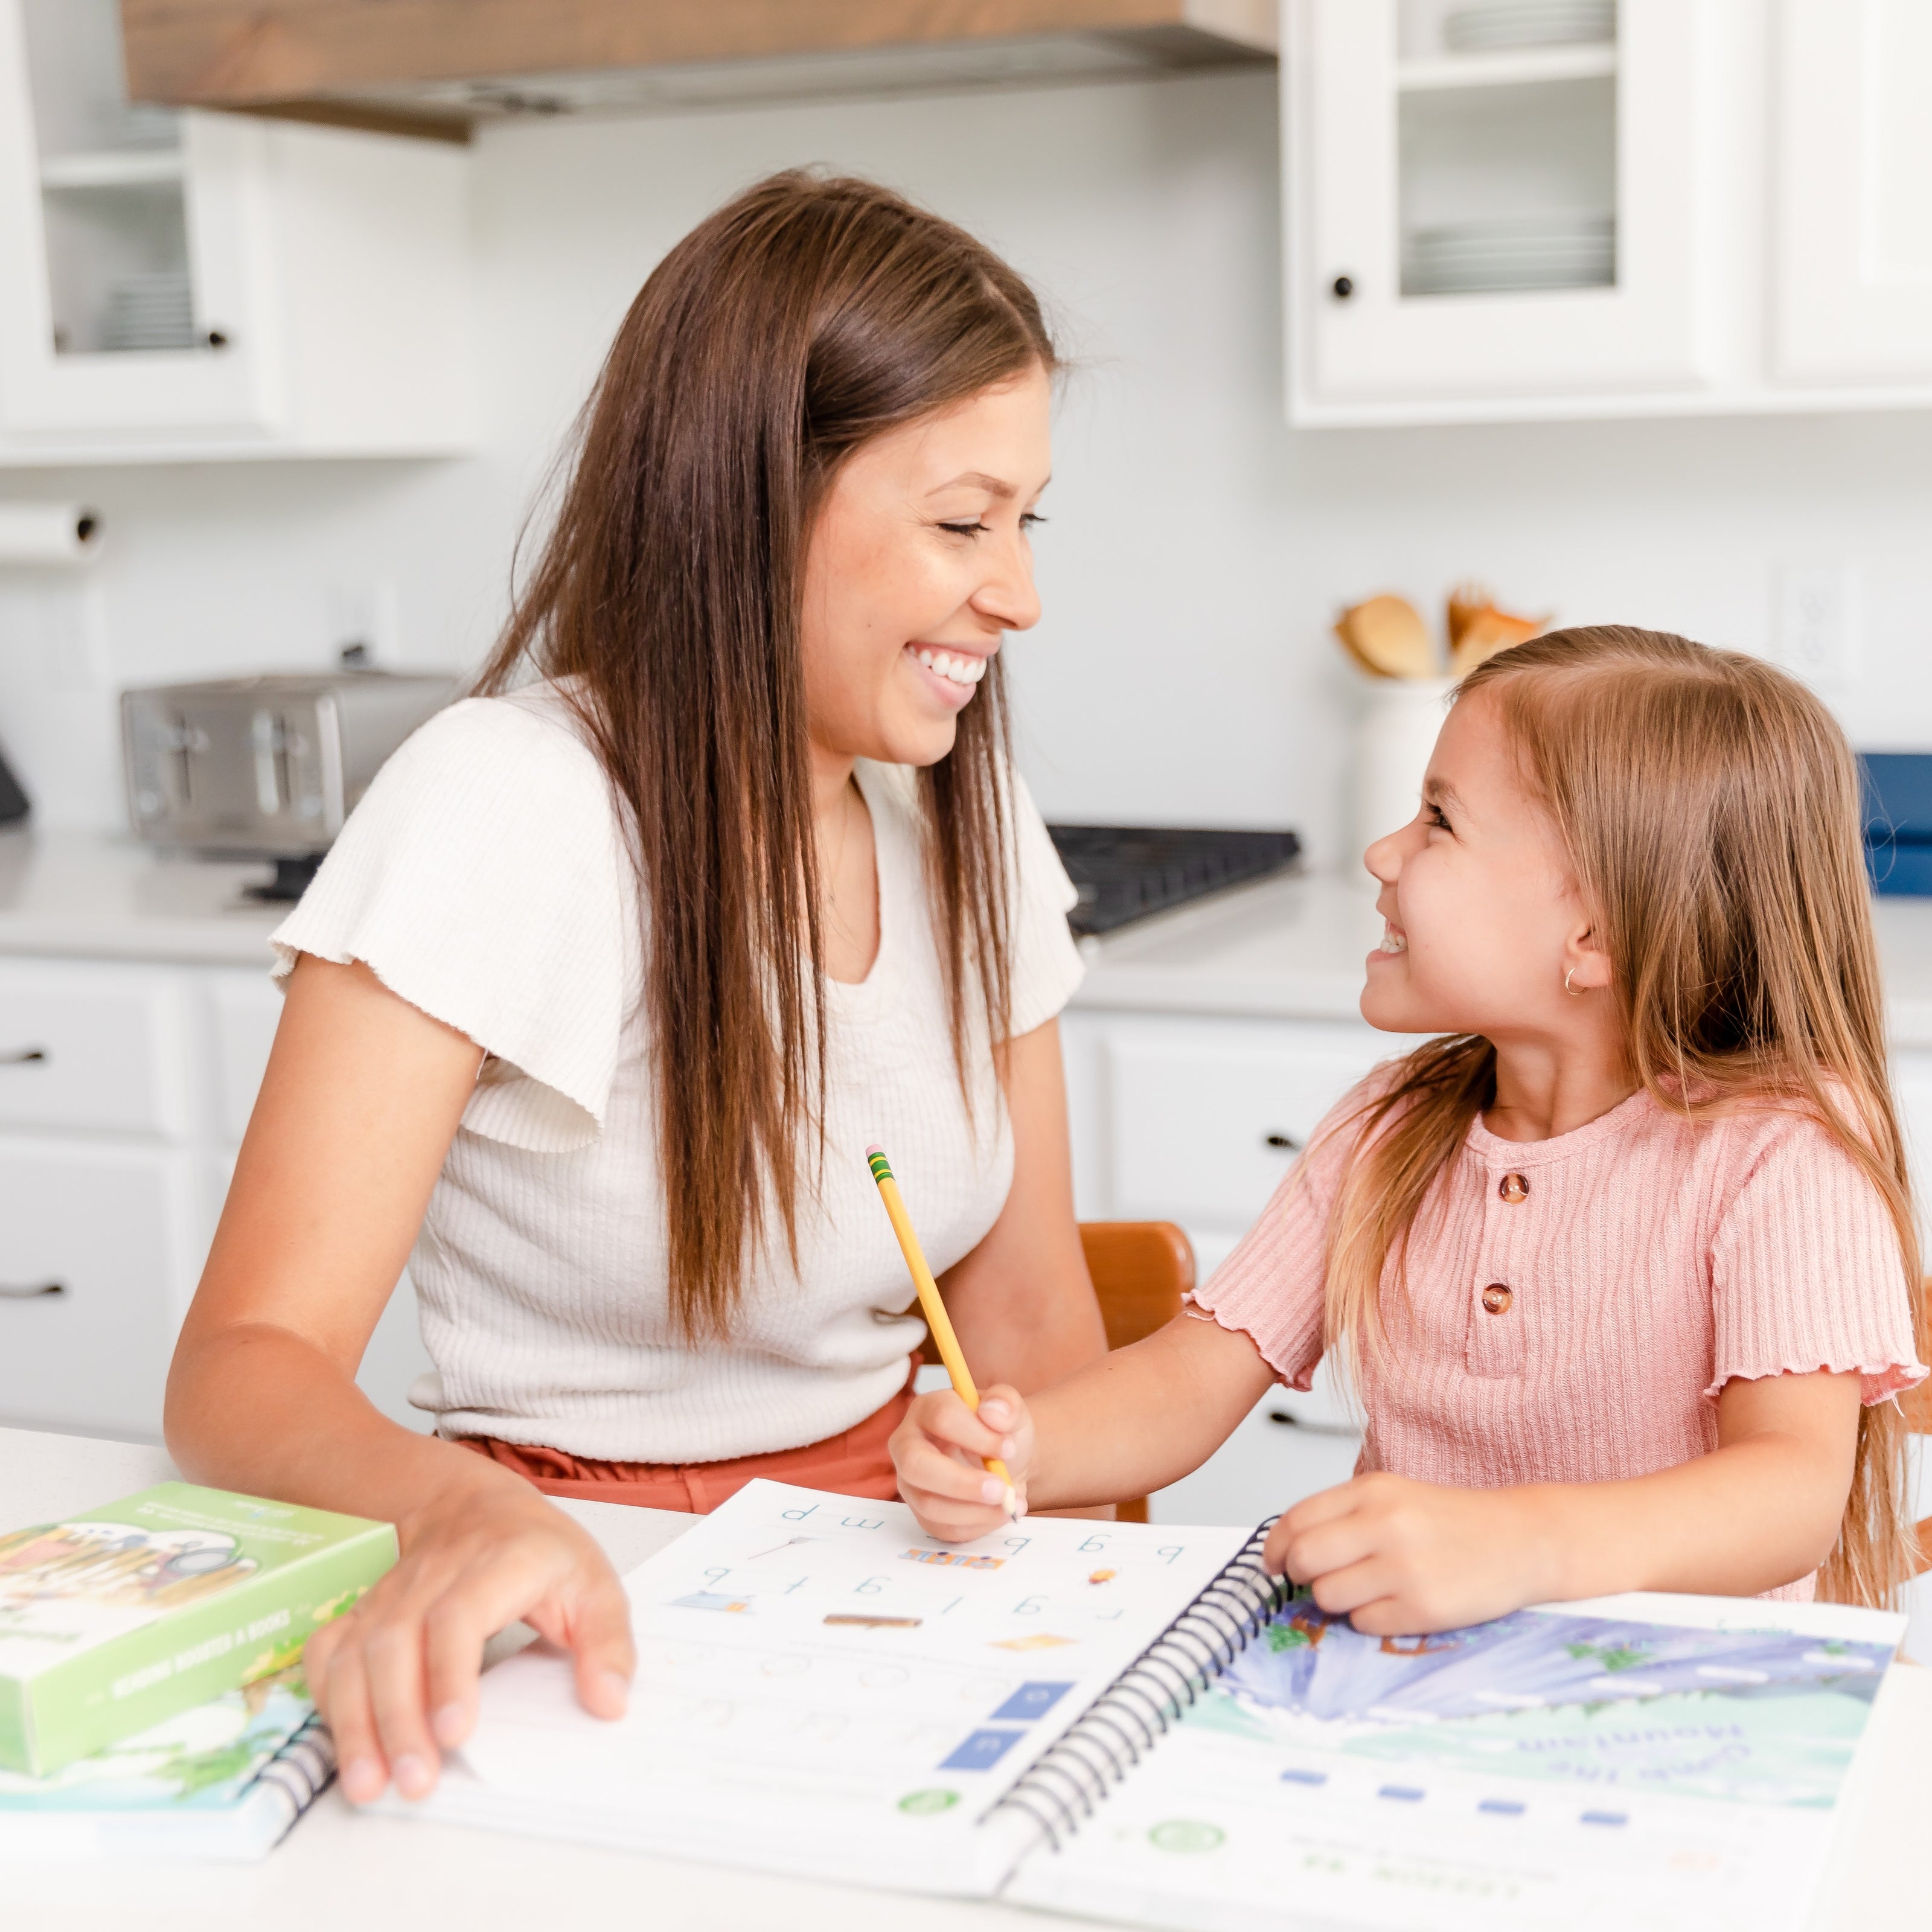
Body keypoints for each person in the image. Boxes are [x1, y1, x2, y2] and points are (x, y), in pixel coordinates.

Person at [163, 171, 1112, 1802]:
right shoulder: (508, 803)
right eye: (965, 523)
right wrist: (462, 1514)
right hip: (562, 1564)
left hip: (896, 1570)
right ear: (749, 504)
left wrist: (1077, 1625)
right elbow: (242, 1362)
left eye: (1029, 522)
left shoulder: (962, 809)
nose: (1017, 593)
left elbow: (1034, 1338)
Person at [894, 626, 1930, 1623]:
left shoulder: (1784, 1155)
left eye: (1439, 820)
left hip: (1689, 1712)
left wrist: (1518, 1548)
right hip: (1418, 1689)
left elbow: (1789, 1495)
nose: (1383, 854)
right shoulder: (1391, 1128)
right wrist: (1023, 1444)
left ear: (1595, 933)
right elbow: (1190, 1378)